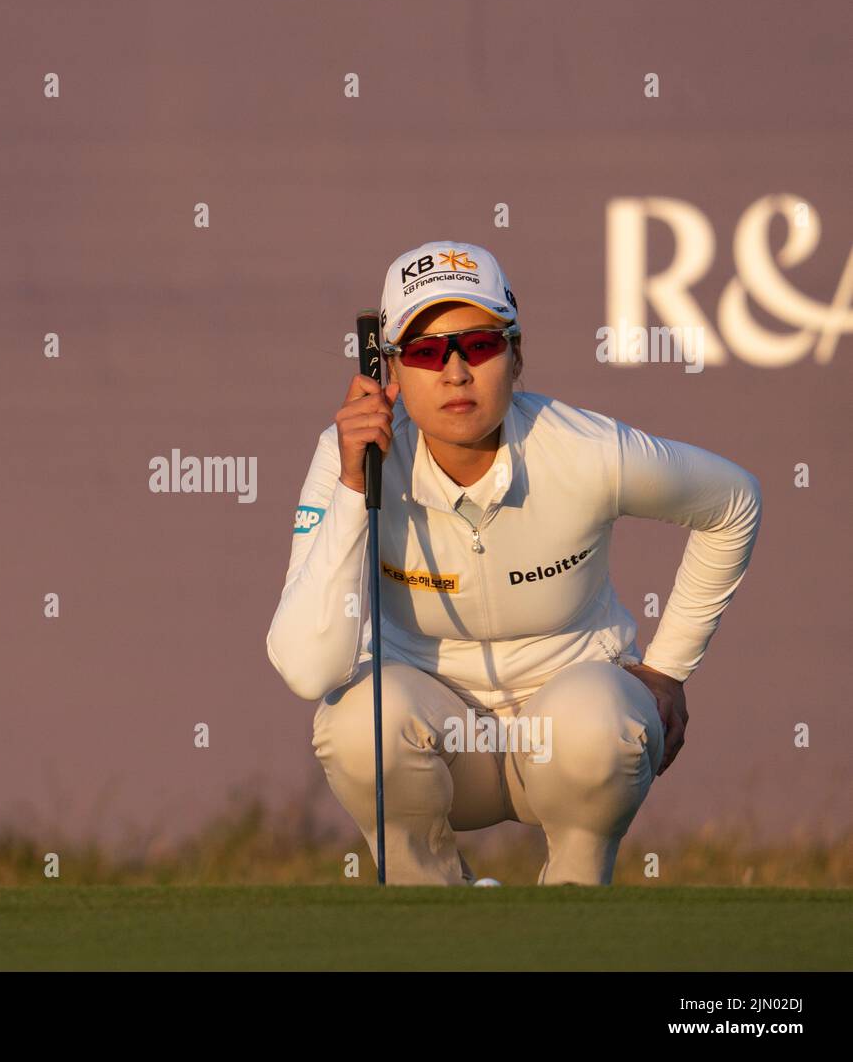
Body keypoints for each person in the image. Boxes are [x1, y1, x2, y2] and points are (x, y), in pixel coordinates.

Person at [265, 241, 763, 885]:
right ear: (386, 368)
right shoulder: (348, 457)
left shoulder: (585, 450)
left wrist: (670, 668)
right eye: (423, 352)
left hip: (572, 741)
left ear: (515, 352)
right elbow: (308, 670)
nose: (454, 372)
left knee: (601, 721)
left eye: (477, 345)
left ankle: (573, 918)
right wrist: (356, 487)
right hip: (435, 749)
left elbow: (733, 501)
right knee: (357, 725)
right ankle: (430, 914)